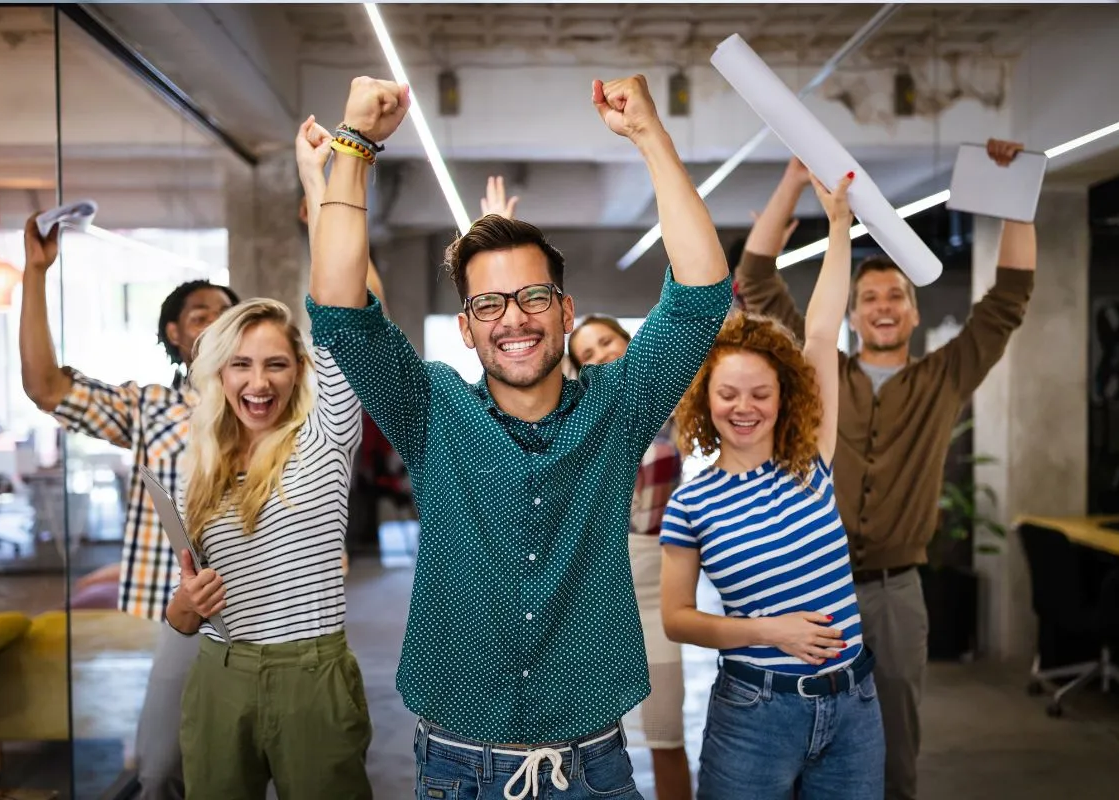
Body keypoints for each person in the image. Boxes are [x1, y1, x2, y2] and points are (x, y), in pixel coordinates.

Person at [300, 74, 731, 799]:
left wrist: (651, 135)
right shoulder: (429, 408)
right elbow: (341, 308)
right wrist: (355, 145)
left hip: (594, 767)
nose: (515, 318)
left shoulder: (619, 406)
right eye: (490, 304)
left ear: (565, 311)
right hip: (455, 769)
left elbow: (699, 298)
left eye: (533, 296)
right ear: (467, 328)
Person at [733, 140, 1036, 800]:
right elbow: (756, 281)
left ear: (914, 308)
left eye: (895, 294)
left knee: (896, 758)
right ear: (851, 312)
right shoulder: (821, 376)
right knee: (796, 755)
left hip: (897, 594)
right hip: (810, 590)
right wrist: (792, 178)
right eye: (869, 296)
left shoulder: (944, 378)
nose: (883, 306)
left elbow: (1009, 298)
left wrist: (1015, 198)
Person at [661, 171, 885, 799]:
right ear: (706, 400)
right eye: (728, 393)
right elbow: (677, 619)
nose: (744, 406)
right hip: (754, 711)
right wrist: (771, 630)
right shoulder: (692, 503)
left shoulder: (811, 461)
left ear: (785, 398)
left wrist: (840, 229)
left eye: (761, 393)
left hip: (853, 704)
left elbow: (818, 331)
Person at [19, 214, 238, 800]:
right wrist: (36, 274)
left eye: (227, 312)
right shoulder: (150, 408)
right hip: (189, 612)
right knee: (161, 765)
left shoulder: (274, 401)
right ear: (173, 333)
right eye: (200, 313)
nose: (216, 320)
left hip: (273, 610)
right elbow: (45, 387)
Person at [165, 296, 371, 799]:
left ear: (300, 370)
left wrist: (326, 216)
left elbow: (347, 308)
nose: (258, 384)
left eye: (275, 364)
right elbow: (184, 618)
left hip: (311, 676)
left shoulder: (326, 440)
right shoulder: (200, 465)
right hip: (219, 675)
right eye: (241, 365)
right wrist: (187, 604)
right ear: (220, 372)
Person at [569, 316, 690, 800]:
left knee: (665, 734)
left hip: (659, 597)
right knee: (587, 747)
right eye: (587, 355)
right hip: (595, 601)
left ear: (628, 341)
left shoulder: (671, 402)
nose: (601, 356)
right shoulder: (579, 423)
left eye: (606, 342)